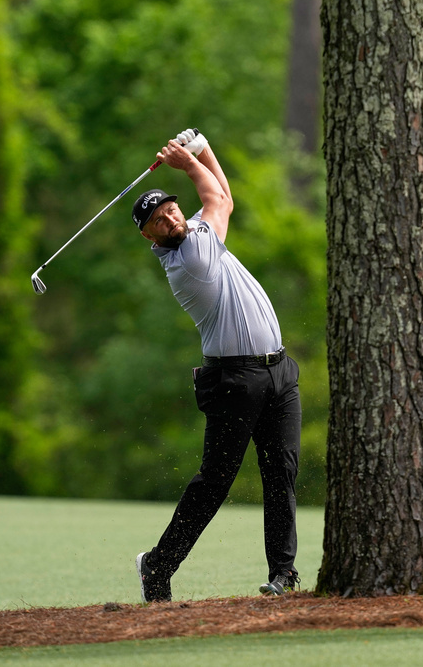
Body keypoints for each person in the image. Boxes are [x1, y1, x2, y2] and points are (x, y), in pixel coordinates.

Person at [133, 129, 302, 601]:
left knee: (282, 471)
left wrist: (202, 148)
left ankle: (283, 573)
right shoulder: (191, 257)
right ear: (149, 237)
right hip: (235, 380)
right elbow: (216, 198)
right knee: (215, 482)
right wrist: (188, 160)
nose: (168, 216)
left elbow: (222, 196)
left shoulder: (197, 233)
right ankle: (157, 566)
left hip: (279, 373)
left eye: (169, 207)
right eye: (157, 219)